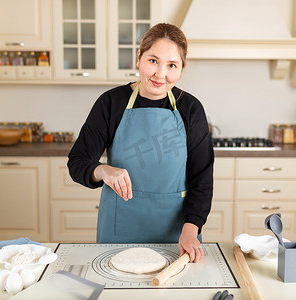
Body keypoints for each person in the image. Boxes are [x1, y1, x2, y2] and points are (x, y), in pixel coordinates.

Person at [68, 23, 213, 263]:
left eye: (172, 65)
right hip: (119, 229)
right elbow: (78, 162)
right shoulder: (111, 103)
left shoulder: (190, 109)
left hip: (177, 235)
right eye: (153, 61)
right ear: (139, 58)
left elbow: (202, 179)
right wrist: (103, 170)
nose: (160, 74)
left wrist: (191, 229)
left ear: (181, 69)